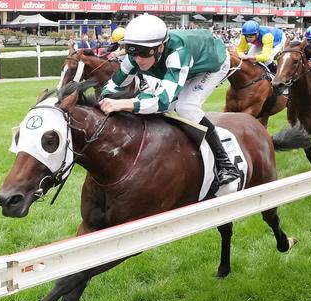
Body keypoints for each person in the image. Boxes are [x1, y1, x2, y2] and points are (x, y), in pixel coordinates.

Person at [99, 14, 240, 186]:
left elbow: (162, 101)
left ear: (160, 47)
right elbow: (114, 84)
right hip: (188, 64)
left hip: (212, 64)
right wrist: (102, 99)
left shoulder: (178, 53)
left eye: (144, 53)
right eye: (132, 51)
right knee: (150, 101)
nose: (138, 59)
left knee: (185, 106)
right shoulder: (137, 55)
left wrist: (122, 103)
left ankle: (225, 163)